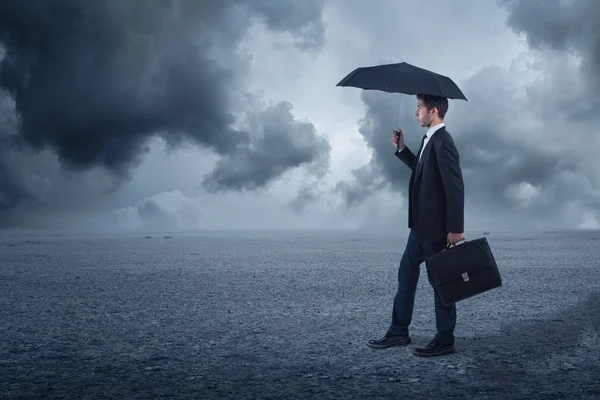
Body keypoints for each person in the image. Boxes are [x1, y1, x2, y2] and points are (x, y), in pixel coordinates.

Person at [367, 93, 465, 357]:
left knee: (441, 283)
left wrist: (455, 229)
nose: (415, 112)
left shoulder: (443, 141)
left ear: (433, 111)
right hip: (420, 228)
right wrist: (402, 149)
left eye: (419, 108)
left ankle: (445, 339)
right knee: (406, 276)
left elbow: (455, 187)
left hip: (435, 229)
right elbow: (422, 172)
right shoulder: (429, 139)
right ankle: (399, 332)